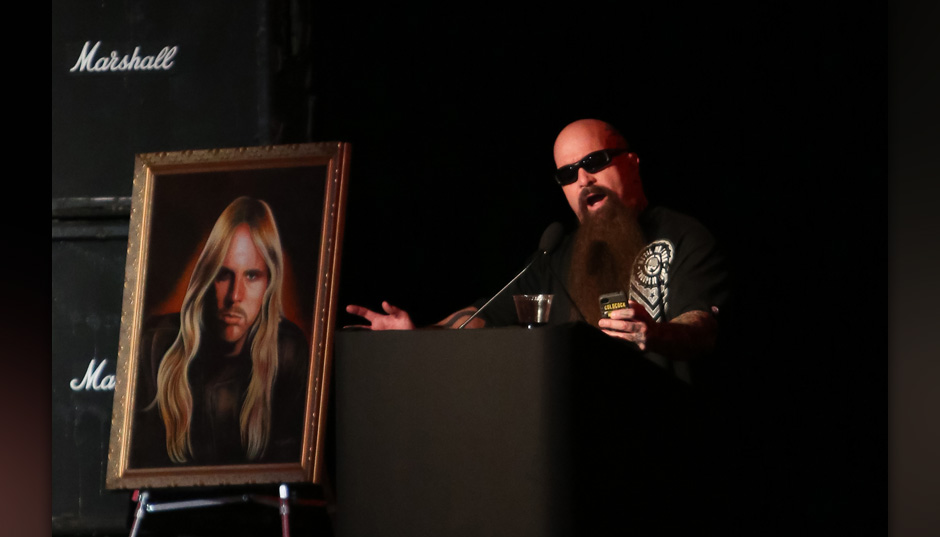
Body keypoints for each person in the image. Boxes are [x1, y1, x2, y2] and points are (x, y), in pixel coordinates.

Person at [346, 119, 730, 383]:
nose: (583, 179)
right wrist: (418, 334)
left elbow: (703, 327)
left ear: (631, 163)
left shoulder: (682, 235)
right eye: (567, 174)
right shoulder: (556, 256)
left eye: (595, 161)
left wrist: (655, 333)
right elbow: (485, 317)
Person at [131, 196, 310, 467]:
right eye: (223, 275)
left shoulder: (287, 351)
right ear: (206, 278)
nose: (234, 296)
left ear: (269, 284)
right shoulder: (157, 345)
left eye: (252, 276)